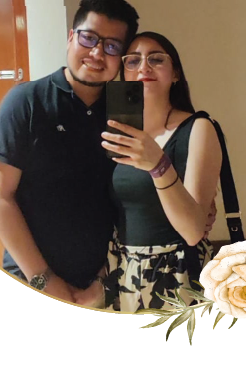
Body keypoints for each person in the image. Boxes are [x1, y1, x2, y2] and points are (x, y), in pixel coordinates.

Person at [0, 0, 140, 304]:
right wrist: (44, 280)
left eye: (112, 46)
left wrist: (103, 280)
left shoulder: (125, 112)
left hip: (109, 284)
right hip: (31, 281)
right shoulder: (26, 101)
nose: (97, 53)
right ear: (71, 38)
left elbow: (132, 199)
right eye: (89, 38)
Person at [100, 31, 223, 312]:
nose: (143, 67)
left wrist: (158, 165)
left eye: (156, 59)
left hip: (177, 275)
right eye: (132, 61)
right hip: (123, 273)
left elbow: (193, 231)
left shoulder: (198, 128)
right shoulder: (116, 133)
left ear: (175, 73)